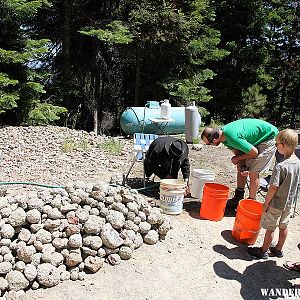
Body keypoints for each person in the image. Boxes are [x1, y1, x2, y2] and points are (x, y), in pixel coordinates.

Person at [201, 118, 278, 207]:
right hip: (256, 139)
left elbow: (254, 152)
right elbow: (238, 153)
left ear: (214, 140)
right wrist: (242, 165)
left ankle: (250, 203)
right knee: (240, 167)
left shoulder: (232, 137)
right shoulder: (223, 137)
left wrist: (237, 158)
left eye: (209, 144)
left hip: (268, 137)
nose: (210, 146)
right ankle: (238, 197)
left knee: (253, 172)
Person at [247, 129, 300, 259]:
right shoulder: (298, 162)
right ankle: (278, 249)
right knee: (283, 226)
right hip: (289, 203)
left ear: (283, 145)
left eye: (277, 144)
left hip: (276, 203)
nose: (276, 147)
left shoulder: (280, 166)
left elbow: (273, 187)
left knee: (270, 228)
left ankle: (263, 251)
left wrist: (266, 203)